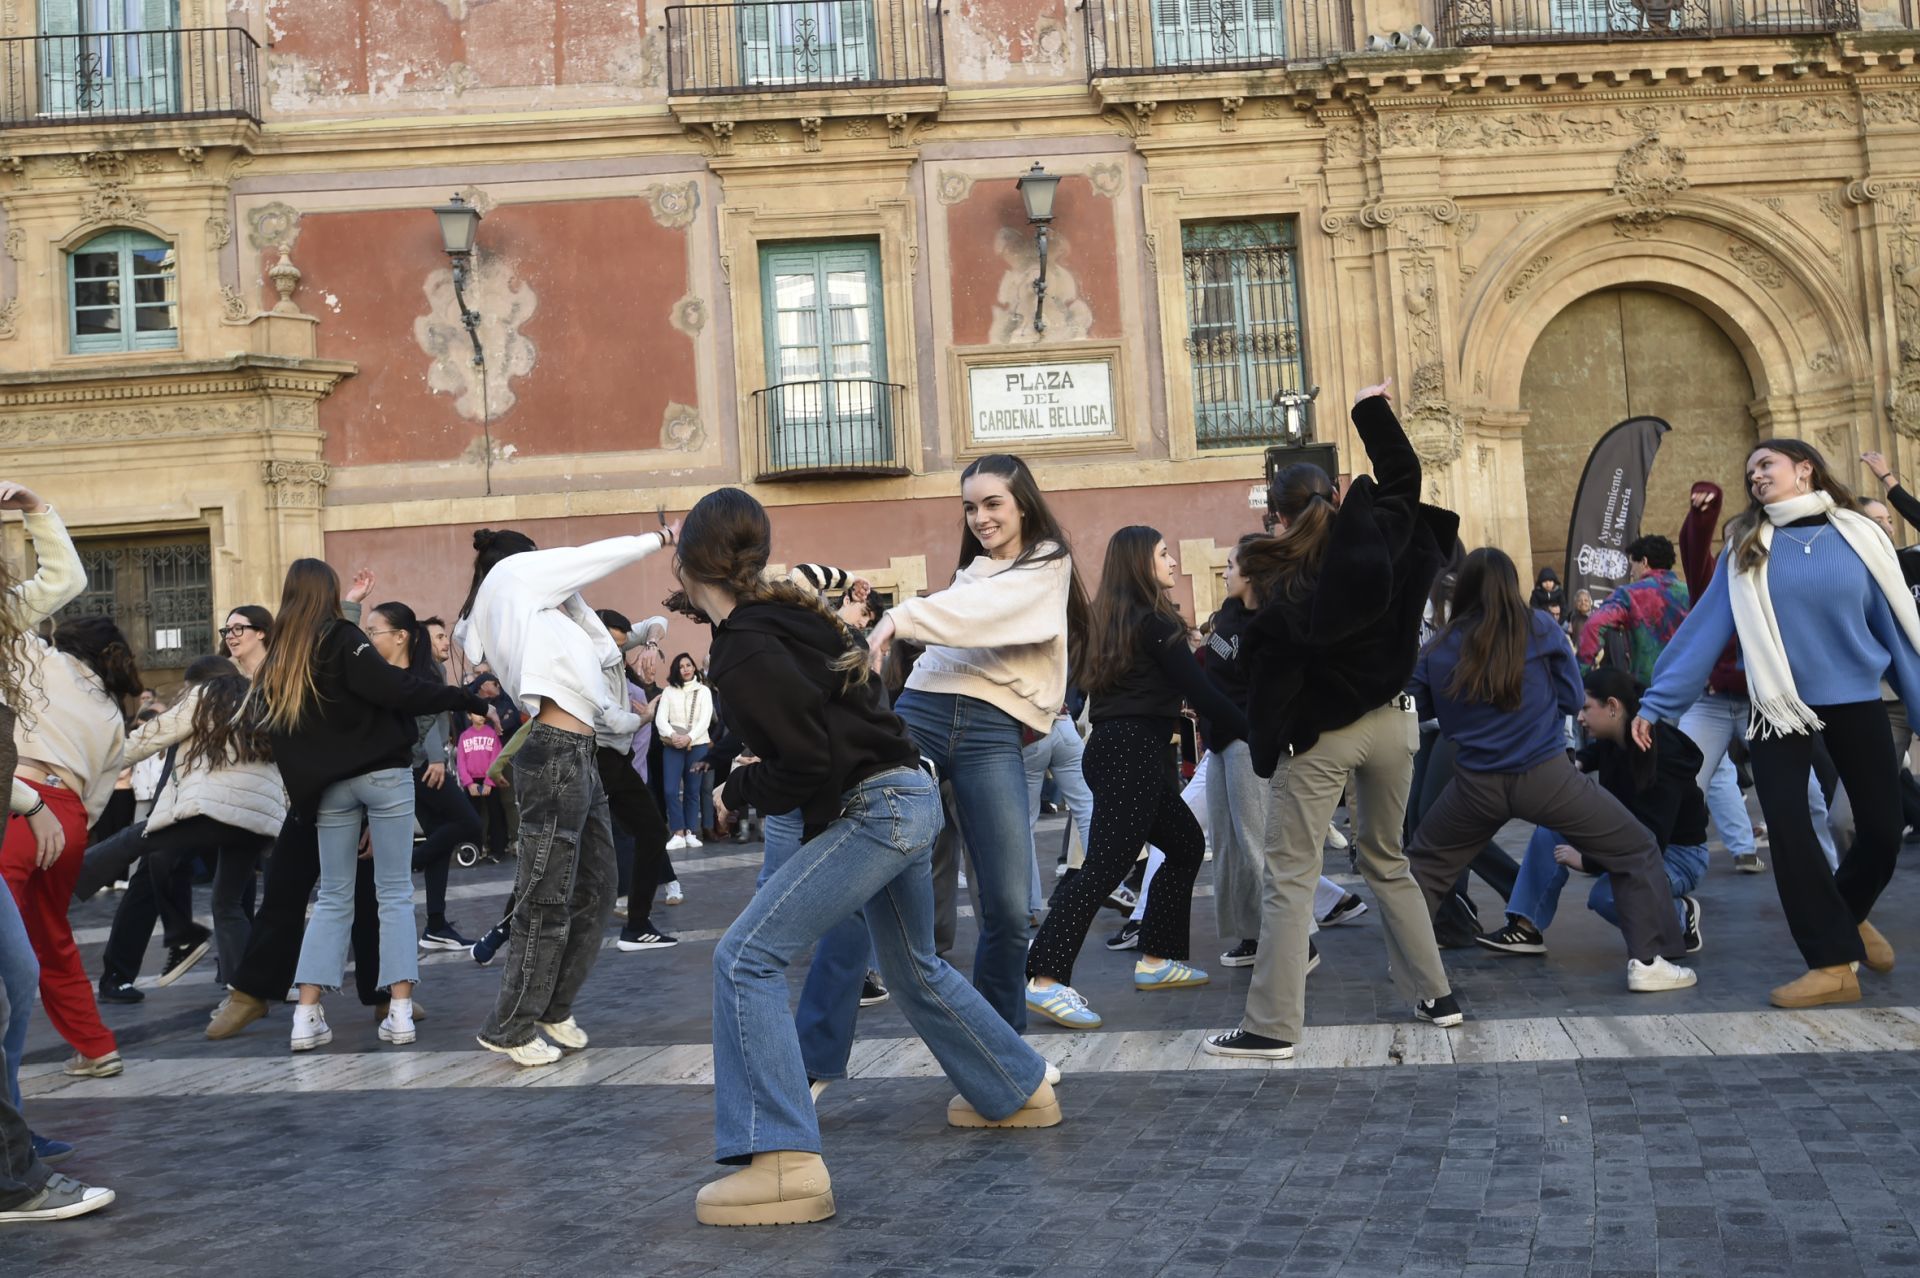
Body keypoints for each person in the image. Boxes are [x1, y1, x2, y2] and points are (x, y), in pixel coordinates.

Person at [676, 488, 1059, 1227]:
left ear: (692, 561)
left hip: (875, 808)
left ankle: (784, 1163)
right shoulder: (786, 620)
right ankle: (1018, 1087)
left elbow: (806, 759)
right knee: (914, 967)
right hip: (905, 793)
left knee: (744, 957)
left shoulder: (747, 643)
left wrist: (736, 786)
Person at [1204, 380, 1462, 1061]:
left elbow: (1268, 675)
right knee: (1387, 859)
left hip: (1326, 736)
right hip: (1396, 725)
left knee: (1289, 877)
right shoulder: (1379, 532)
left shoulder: (1277, 574)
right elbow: (1405, 473)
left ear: (1278, 515)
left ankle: (1272, 1026)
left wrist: (1270, 746)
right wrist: (1370, 406)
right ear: (1335, 492)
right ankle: (1437, 995)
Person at [1638, 439, 1920, 1008]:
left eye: (1766, 464)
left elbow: (1897, 629)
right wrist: (1657, 703)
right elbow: (1704, 630)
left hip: (1855, 696)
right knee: (1790, 832)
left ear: (1804, 469)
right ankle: (1830, 964)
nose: (1757, 476)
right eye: (1750, 471)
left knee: (1884, 831)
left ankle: (1843, 915)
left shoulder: (1860, 536)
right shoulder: (1747, 545)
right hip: (1777, 704)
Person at [866, 454, 1090, 1032]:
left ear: (1023, 504)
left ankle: (1003, 1050)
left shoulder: (1047, 563)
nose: (980, 518)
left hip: (992, 731)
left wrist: (898, 619)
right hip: (922, 712)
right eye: (970, 507)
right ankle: (819, 1048)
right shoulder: (970, 578)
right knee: (867, 856)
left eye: (992, 504)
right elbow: (966, 610)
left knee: (1012, 909)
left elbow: (989, 614)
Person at [1407, 547, 1694, 991]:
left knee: (1424, 866)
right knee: (1634, 848)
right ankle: (1649, 961)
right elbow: (1570, 696)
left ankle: (1409, 965)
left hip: (1474, 782)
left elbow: (1417, 707)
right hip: (1546, 776)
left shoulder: (1440, 646)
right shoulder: (1539, 627)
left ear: (1461, 588)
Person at [458, 521, 673, 1066]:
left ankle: (551, 1006)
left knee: (599, 887)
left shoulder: (524, 611)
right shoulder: (515, 578)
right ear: (526, 558)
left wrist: (641, 644)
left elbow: (591, 665)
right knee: (545, 897)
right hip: (554, 753)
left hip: (579, 754)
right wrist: (660, 538)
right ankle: (509, 1025)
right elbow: (590, 557)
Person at [256, 560, 487, 1054]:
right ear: (329, 593)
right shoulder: (343, 638)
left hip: (328, 789)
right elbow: (392, 687)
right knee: (396, 894)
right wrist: (461, 697)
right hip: (381, 776)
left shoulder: (283, 654)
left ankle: (305, 1017)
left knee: (333, 899)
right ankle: (399, 1012)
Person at [1024, 527, 1245, 1027]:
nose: (1172, 561)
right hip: (1131, 752)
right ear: (1141, 563)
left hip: (1117, 749)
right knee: (1104, 867)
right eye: (1164, 554)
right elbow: (1201, 690)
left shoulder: (1114, 622)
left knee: (1186, 844)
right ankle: (1045, 979)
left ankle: (1155, 959)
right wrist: (1254, 731)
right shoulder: (1157, 624)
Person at [1477, 667, 1708, 959]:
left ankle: (1679, 917)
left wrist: (1589, 861)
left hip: (1678, 855)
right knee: (1551, 827)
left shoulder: (1662, 755)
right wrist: (1578, 764)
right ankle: (1525, 927)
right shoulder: (1616, 736)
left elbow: (1650, 842)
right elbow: (1597, 754)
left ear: (1613, 707)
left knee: (1607, 897)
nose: (1581, 718)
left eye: (1586, 708)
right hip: (1627, 835)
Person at [4, 610, 143, 1080]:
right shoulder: (111, 712)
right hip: (69, 818)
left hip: (19, 802)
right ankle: (97, 1046)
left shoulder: (42, 660)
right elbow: (98, 797)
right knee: (54, 939)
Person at [96, 660, 283, 989]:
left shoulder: (204, 698)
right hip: (257, 820)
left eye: (186, 687)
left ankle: (183, 939)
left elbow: (146, 739)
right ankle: (245, 990)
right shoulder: (258, 702)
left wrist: (89, 769)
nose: (183, 693)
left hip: (210, 811)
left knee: (142, 846)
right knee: (227, 901)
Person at [364, 598, 484, 951]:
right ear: (413, 639)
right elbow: (427, 719)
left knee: (439, 838)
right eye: (436, 637)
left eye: (445, 636)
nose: (443, 642)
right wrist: (435, 759)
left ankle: (435, 924)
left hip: (419, 764)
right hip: (420, 765)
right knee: (468, 826)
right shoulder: (421, 672)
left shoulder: (427, 671)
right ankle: (401, 870)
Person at [586, 608, 679, 955]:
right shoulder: (587, 670)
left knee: (652, 831)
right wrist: (649, 716)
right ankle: (506, 928)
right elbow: (617, 723)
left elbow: (659, 620)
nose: (618, 654)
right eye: (613, 646)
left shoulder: (614, 646)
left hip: (614, 761)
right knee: (562, 845)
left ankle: (637, 925)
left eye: (624, 647)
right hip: (597, 758)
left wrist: (651, 644)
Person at [1576, 535, 1690, 682]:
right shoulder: (1689, 592)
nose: (1630, 572)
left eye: (1632, 564)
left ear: (1644, 561)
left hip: (1649, 689)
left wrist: (1579, 672)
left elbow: (1594, 625)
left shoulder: (1628, 594)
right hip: (1691, 688)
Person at [658, 653, 713, 850]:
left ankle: (690, 831)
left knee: (692, 790)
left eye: (688, 664)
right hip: (673, 745)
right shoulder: (668, 692)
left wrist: (689, 737)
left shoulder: (703, 691)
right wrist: (674, 736)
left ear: (693, 667)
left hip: (697, 745)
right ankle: (677, 832)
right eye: (681, 666)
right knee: (670, 790)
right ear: (676, 670)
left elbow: (705, 719)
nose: (686, 669)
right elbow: (661, 720)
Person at [457, 710, 508, 860]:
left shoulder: (491, 734)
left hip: (489, 780)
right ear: (468, 716)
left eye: (482, 713)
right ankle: (476, 848)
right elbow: (461, 762)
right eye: (475, 713)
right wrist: (469, 783)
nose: (480, 716)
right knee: (472, 816)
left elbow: (496, 758)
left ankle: (498, 850)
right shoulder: (464, 736)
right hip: (472, 781)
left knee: (495, 814)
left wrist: (489, 782)